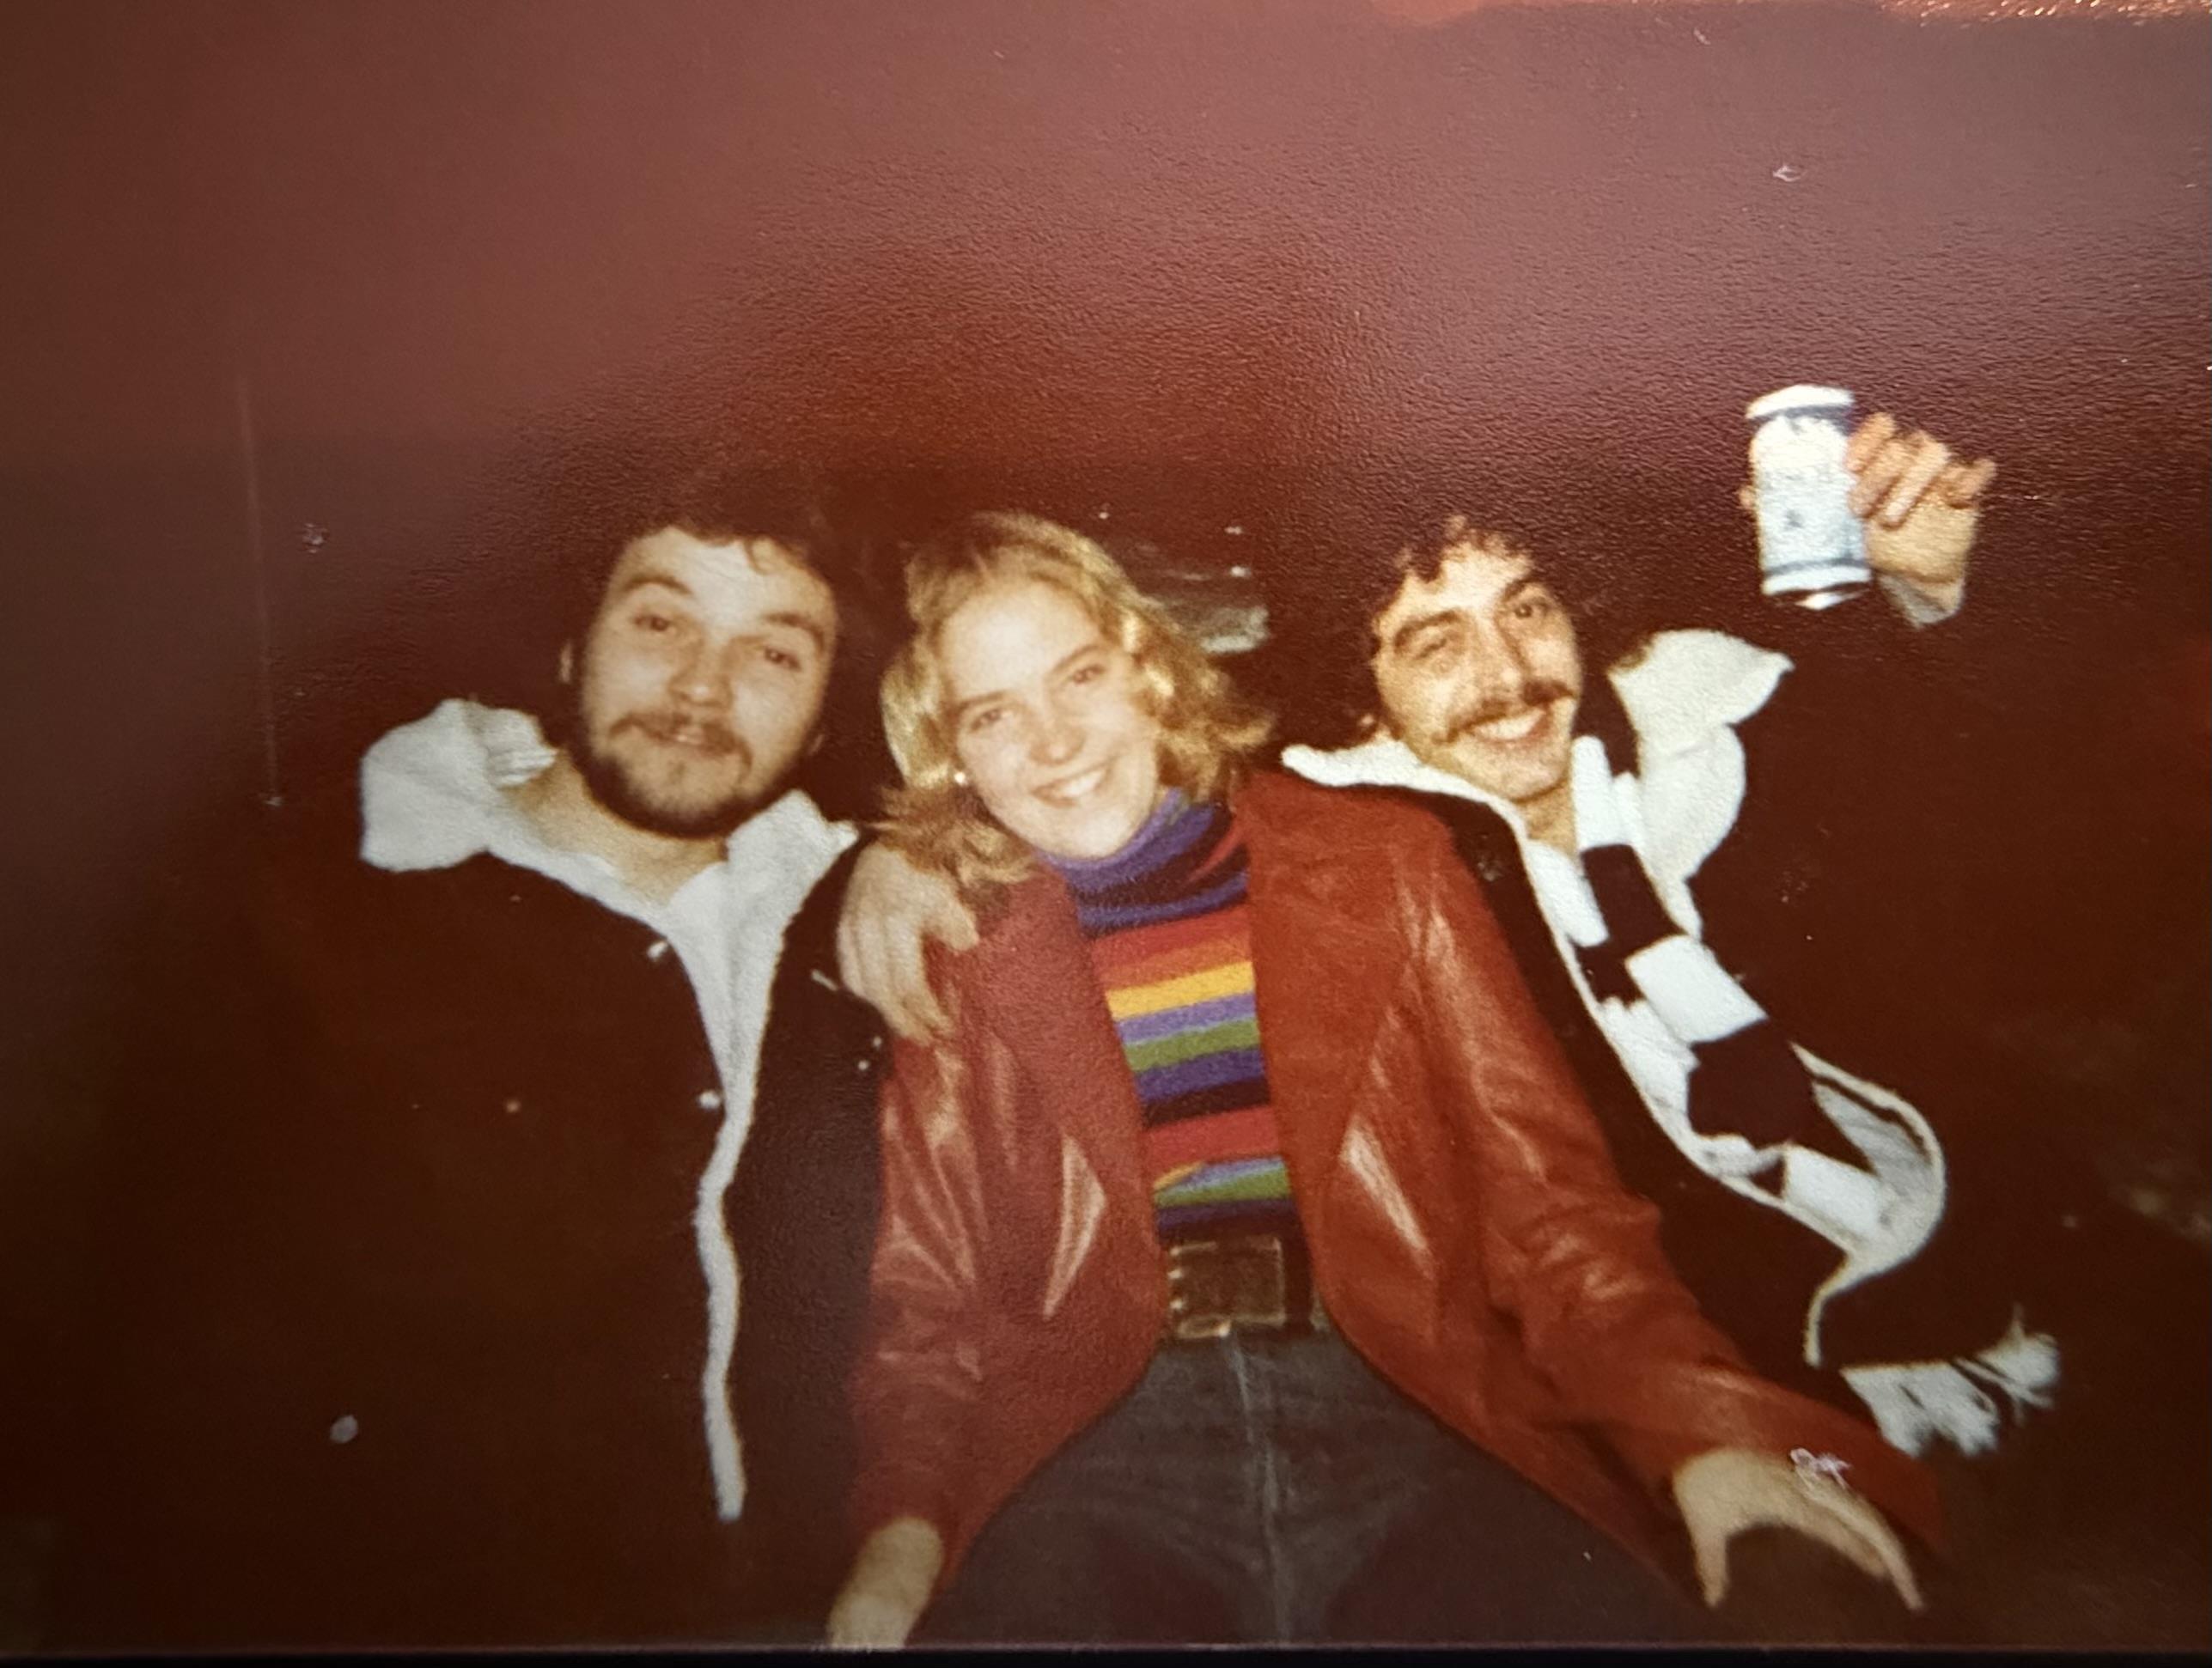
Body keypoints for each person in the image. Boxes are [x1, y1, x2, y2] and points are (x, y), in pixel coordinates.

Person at [822, 510, 1941, 1648]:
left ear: (1151, 671)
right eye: (995, 715)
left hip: (1406, 1413)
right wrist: (898, 1543)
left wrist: (1699, 1434)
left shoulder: (1387, 865)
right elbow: (928, 1317)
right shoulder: (959, 951)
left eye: (1082, 677)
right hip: (1098, 1451)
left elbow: (1557, 1220)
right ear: (952, 751)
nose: (1054, 742)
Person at [53, 458, 899, 1648]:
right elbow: (172, 1366)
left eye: (774, 650)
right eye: (660, 618)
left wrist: (929, 842)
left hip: (791, 1607)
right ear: (569, 646)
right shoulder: (321, 909)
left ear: (823, 712)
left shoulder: (848, 924)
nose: (704, 686)